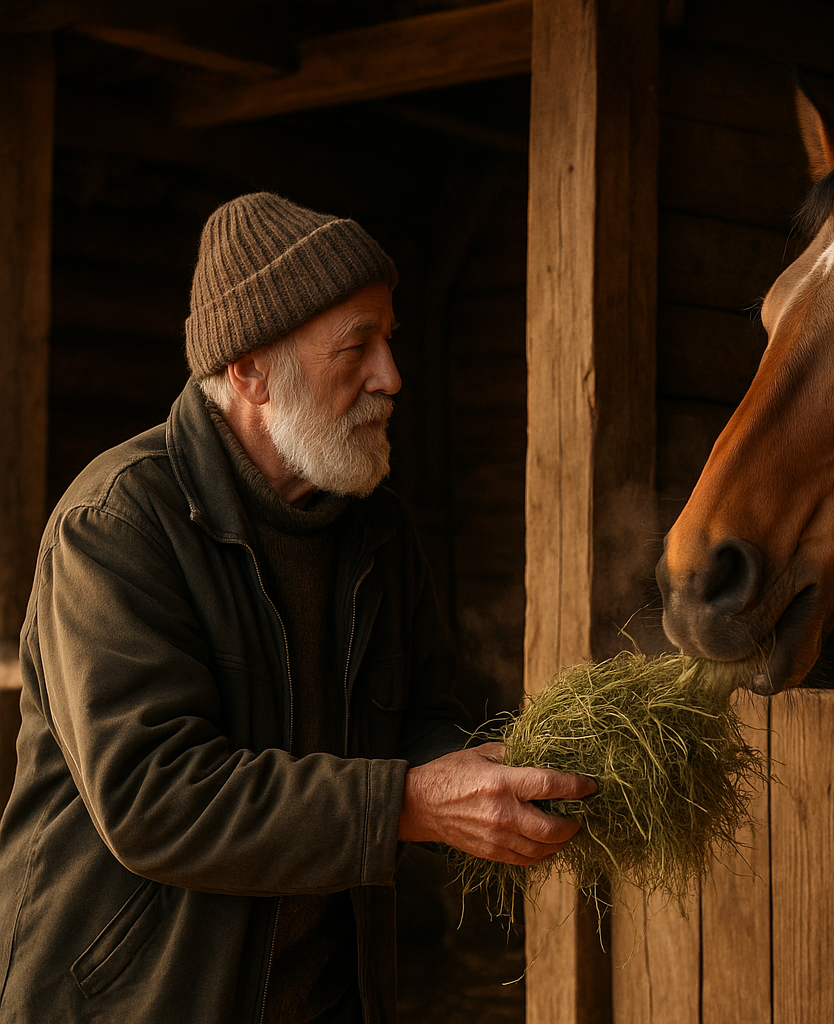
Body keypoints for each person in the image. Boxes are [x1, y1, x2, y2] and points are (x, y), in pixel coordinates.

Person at [0, 192, 594, 1023]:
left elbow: (421, 720)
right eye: (357, 346)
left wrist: (504, 773)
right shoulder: (118, 525)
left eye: (390, 340)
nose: (391, 376)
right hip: (139, 1000)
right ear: (250, 370)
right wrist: (409, 803)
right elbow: (153, 798)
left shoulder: (379, 528)